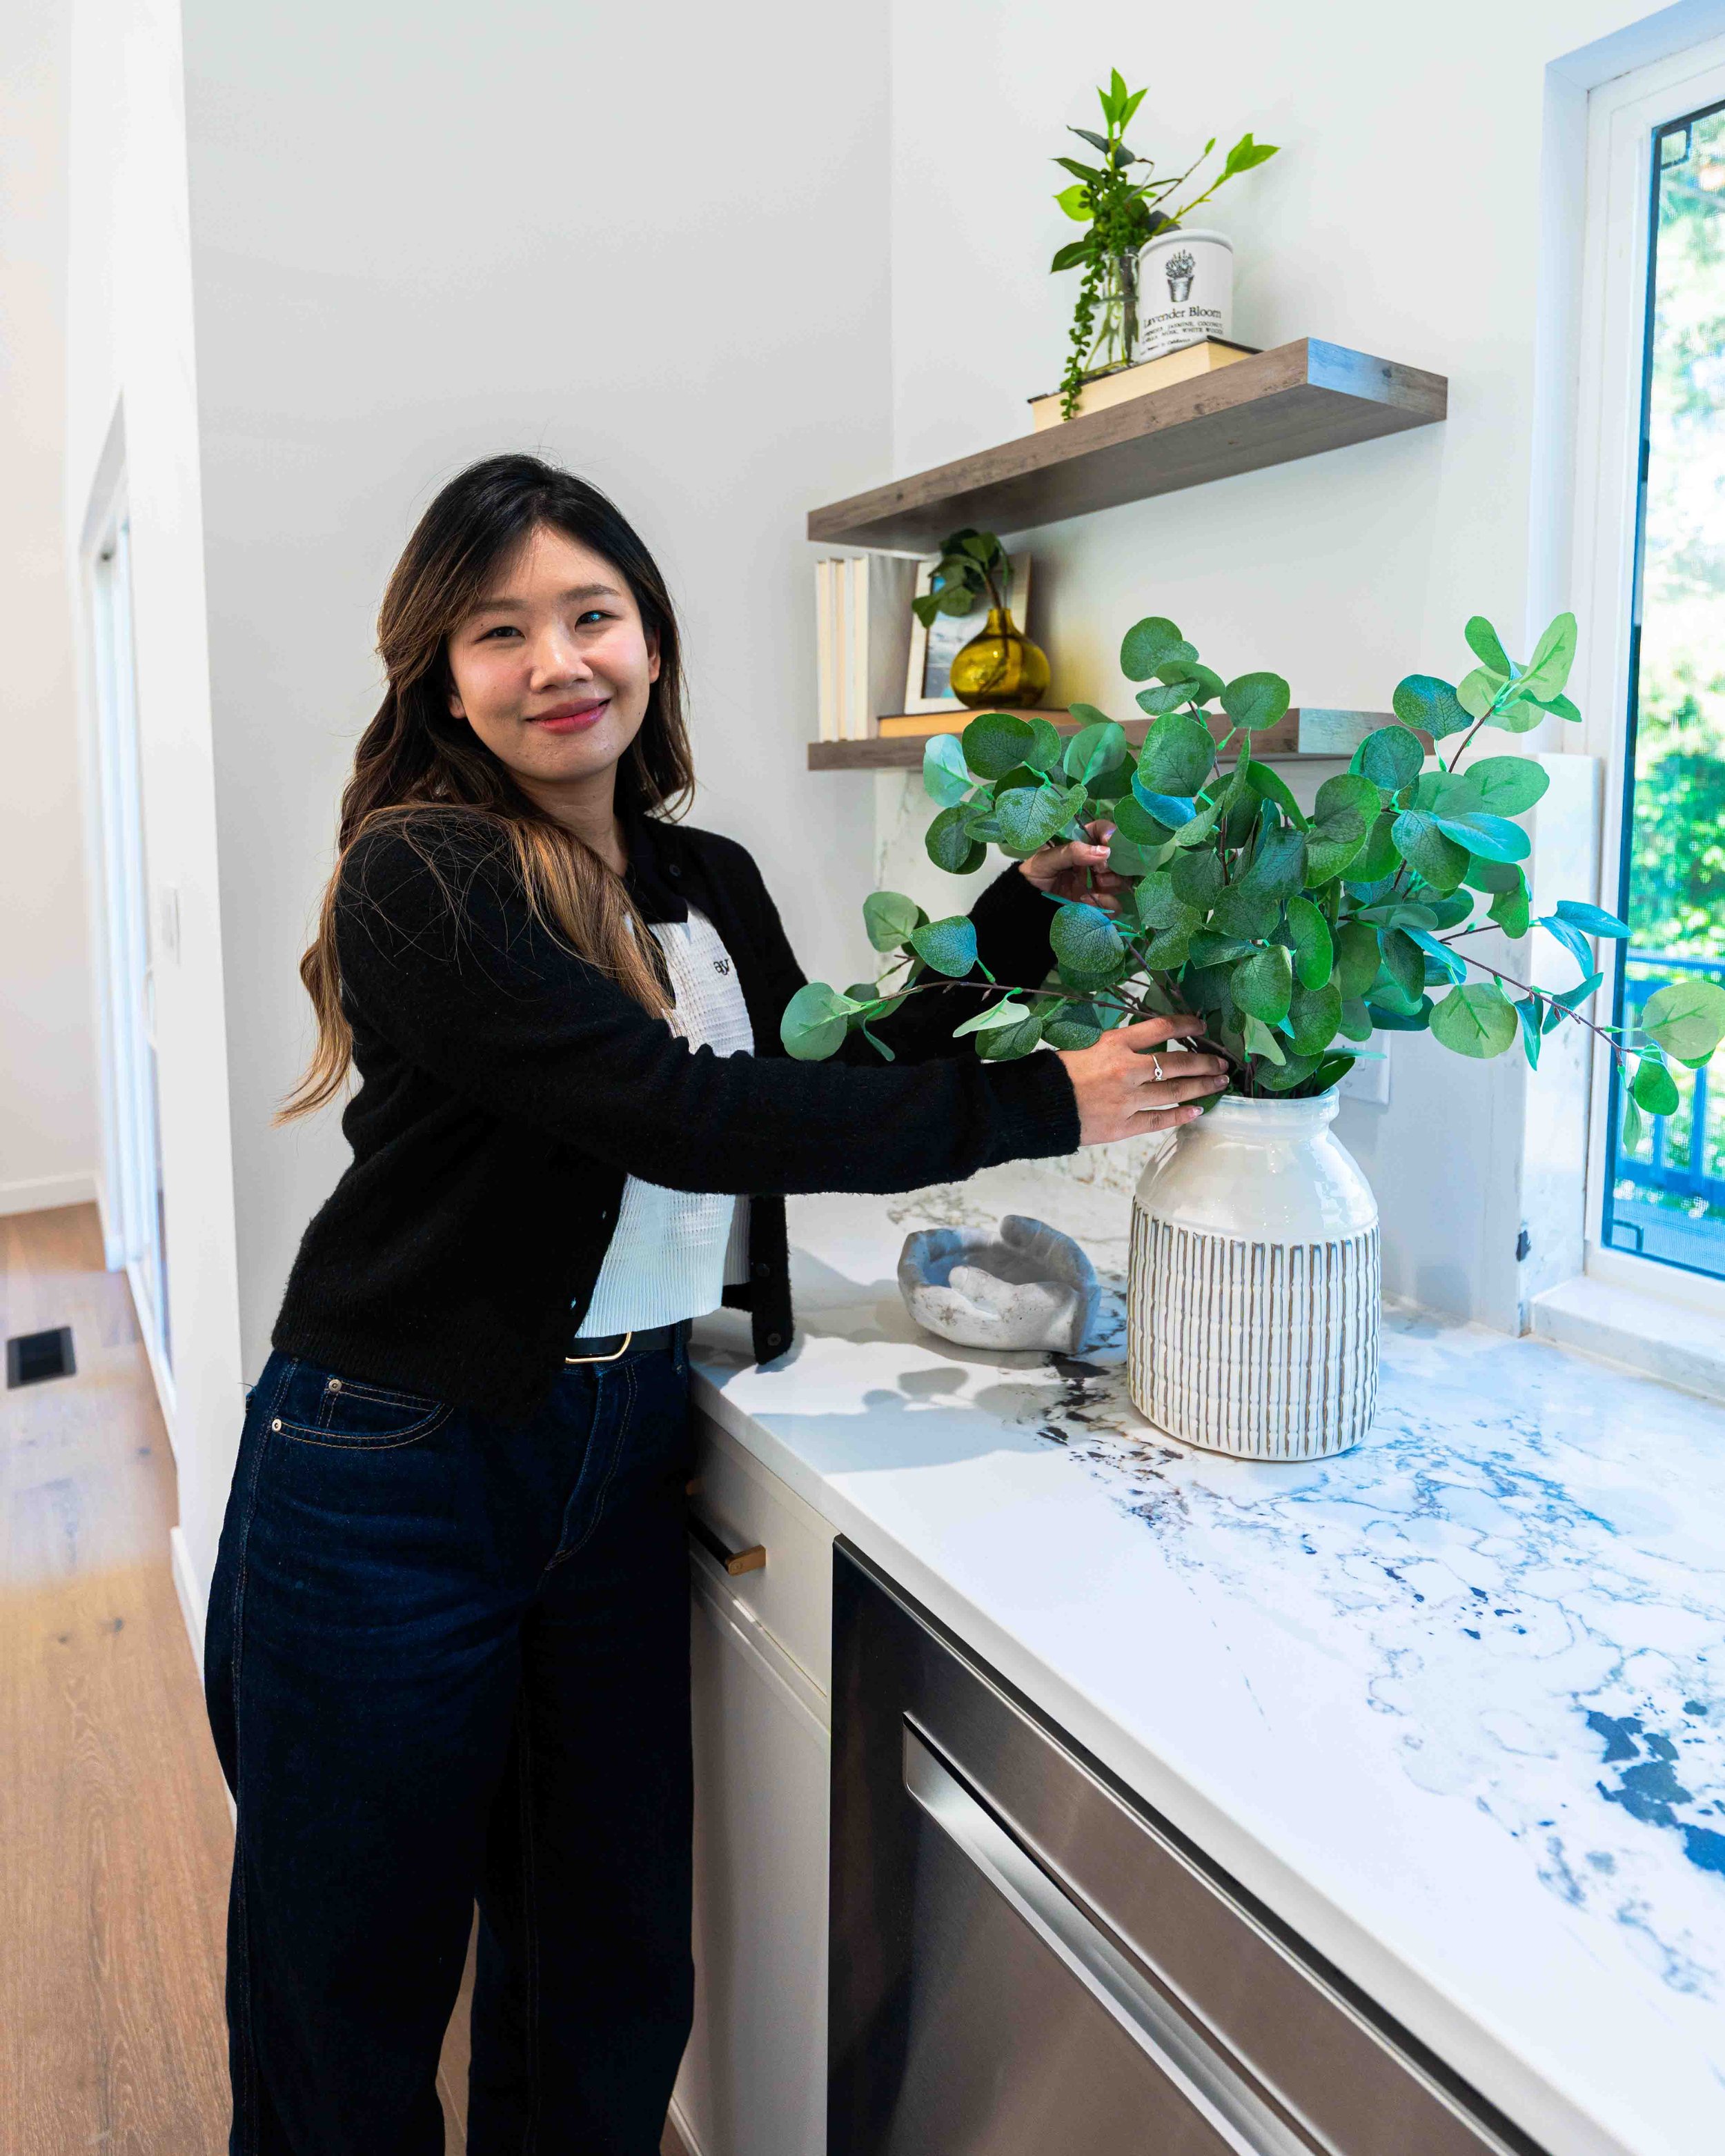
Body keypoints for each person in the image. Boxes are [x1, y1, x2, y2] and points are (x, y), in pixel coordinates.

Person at [201, 451, 1226, 2155]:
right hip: (394, 1465)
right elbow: (675, 1111)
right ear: (438, 677)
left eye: (591, 614)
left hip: (618, 1451)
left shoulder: (706, 880)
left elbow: (818, 1066)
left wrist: (1017, 927)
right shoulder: (424, 875)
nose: (556, 662)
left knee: (604, 1968)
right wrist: (1050, 1100)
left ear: (653, 641)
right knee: (348, 1989)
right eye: (497, 631)